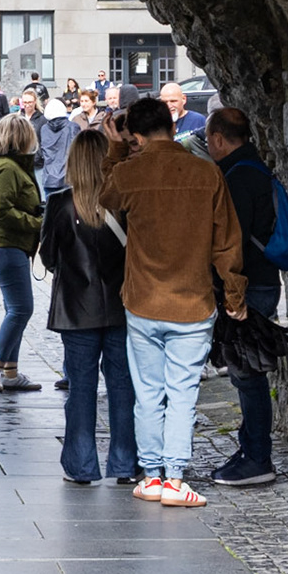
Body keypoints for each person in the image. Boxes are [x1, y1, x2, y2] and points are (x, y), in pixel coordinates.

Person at [99, 96, 246, 508]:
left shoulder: (131, 172)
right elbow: (227, 240)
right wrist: (234, 293)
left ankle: (150, 475)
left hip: (143, 300)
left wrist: (114, 149)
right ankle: (175, 477)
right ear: (170, 124)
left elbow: (107, 196)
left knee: (148, 393)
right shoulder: (206, 173)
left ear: (139, 137)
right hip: (192, 301)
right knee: (182, 393)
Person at [40, 130, 137, 484]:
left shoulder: (61, 203)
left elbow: (49, 256)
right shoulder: (122, 202)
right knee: (122, 386)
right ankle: (125, 462)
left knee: (81, 389)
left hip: (76, 309)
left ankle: (81, 466)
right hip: (121, 305)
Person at [206, 106, 284, 487]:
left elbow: (229, 242)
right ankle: (251, 447)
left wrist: (230, 293)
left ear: (219, 139)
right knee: (244, 372)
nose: (208, 145)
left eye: (209, 139)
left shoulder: (236, 178)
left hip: (249, 285)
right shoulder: (255, 168)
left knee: (247, 373)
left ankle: (257, 457)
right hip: (262, 280)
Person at [0, 112, 44, 391]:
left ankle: (11, 372)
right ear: (21, 137)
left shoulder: (13, 165)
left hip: (8, 245)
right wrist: (37, 223)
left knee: (16, 309)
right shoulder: (7, 167)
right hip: (4, 245)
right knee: (21, 309)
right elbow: (2, 210)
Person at [35, 96, 75, 197]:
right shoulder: (73, 127)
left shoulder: (44, 129)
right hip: (68, 176)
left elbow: (41, 148)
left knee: (51, 209)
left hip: (49, 176)